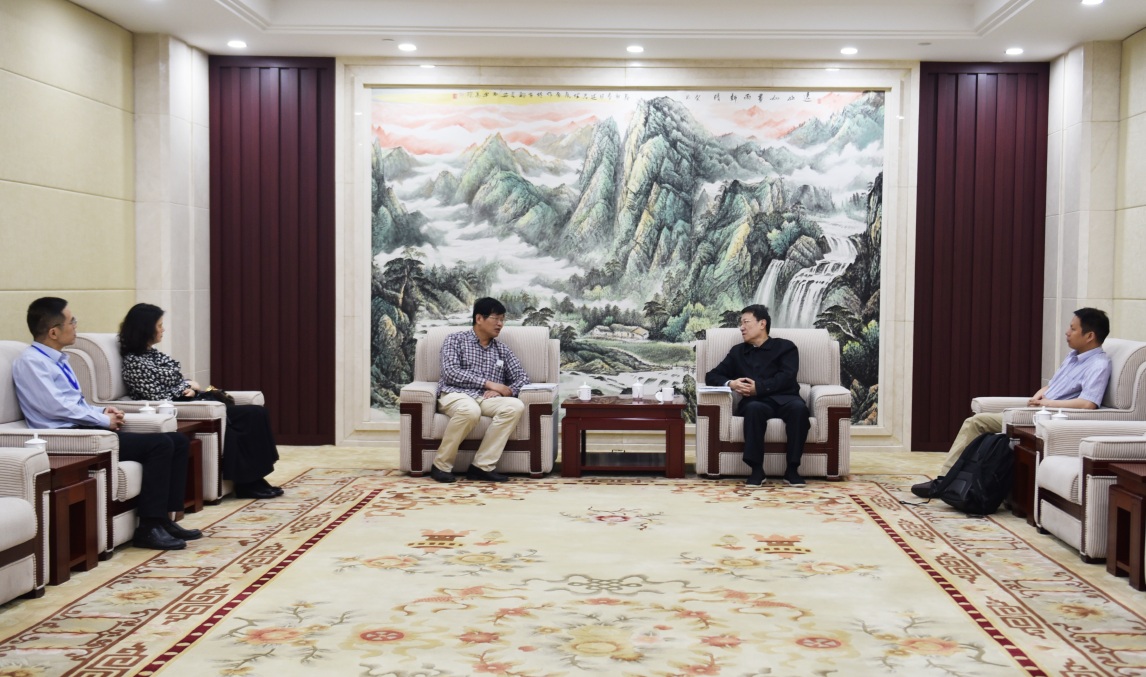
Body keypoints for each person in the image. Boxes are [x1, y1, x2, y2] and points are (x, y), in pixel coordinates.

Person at [12, 297, 200, 550]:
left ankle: (164, 519)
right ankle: (149, 527)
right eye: (72, 321)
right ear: (54, 332)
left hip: (83, 428)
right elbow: (55, 407)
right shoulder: (32, 362)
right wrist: (102, 419)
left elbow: (73, 403)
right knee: (160, 445)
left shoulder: (57, 359)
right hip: (67, 436)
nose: (76, 326)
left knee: (177, 440)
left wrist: (102, 410)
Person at [912, 307, 1113, 498]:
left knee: (976, 423)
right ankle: (961, 483)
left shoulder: (1099, 365)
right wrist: (1039, 396)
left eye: (1073, 328)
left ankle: (944, 481)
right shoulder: (1073, 357)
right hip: (1038, 410)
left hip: (1050, 418)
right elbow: (1052, 385)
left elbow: (1088, 404)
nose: (1067, 332)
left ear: (1089, 336)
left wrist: (1047, 404)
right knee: (978, 424)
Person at [117, 303, 283, 500]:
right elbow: (153, 396)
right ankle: (249, 483)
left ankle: (255, 478)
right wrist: (186, 388)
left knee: (256, 413)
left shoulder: (152, 353)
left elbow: (176, 380)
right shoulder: (134, 362)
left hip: (190, 399)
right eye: (159, 325)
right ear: (146, 328)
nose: (163, 329)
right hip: (179, 406)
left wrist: (188, 385)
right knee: (246, 419)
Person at [705, 304, 810, 486]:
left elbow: (787, 377)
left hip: (786, 398)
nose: (741, 327)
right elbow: (711, 376)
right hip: (756, 401)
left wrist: (759, 388)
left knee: (799, 409)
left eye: (746, 322)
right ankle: (756, 470)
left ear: (762, 323)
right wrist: (731, 383)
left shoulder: (786, 347)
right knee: (753, 409)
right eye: (741, 323)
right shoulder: (738, 352)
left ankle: (792, 469)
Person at [430, 297, 530, 483]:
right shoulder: (455, 340)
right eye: (496, 318)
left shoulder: (502, 350)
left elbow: (522, 378)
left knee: (515, 406)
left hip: (486, 399)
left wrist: (503, 391)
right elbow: (450, 372)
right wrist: (489, 384)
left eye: (502, 319)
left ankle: (481, 467)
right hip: (455, 394)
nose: (500, 324)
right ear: (479, 319)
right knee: (470, 411)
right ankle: (441, 465)